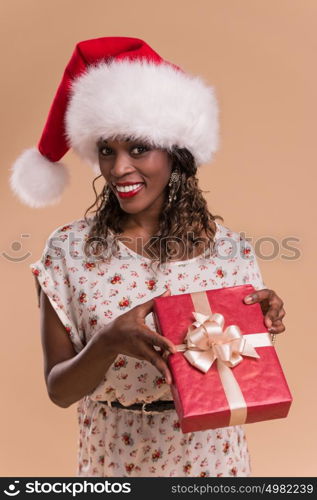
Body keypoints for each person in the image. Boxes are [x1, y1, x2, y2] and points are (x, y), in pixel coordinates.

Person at [10, 37, 286, 477]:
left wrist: (261, 324)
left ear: (175, 152)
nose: (119, 168)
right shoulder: (68, 251)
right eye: (107, 150)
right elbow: (59, 391)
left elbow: (239, 369)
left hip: (214, 463)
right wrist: (108, 342)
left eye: (138, 148)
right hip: (115, 461)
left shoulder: (231, 250)